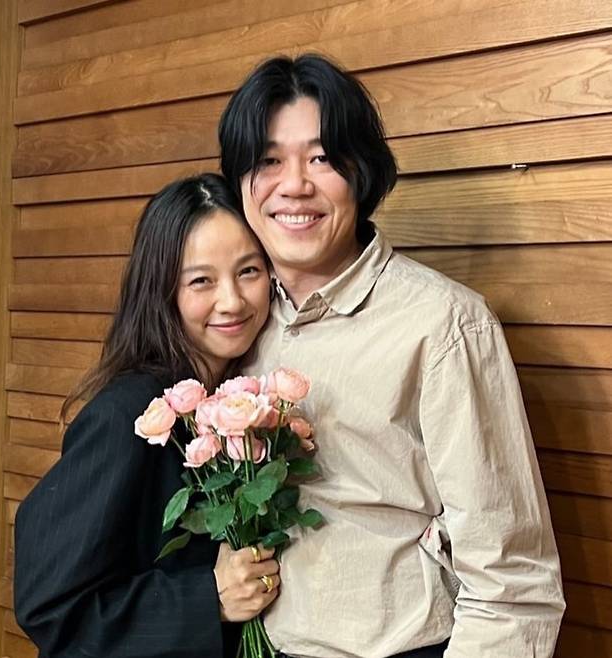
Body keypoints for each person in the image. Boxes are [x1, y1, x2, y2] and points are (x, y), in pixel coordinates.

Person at [218, 55, 565, 658]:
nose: (294, 184)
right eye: (268, 161)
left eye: (322, 158)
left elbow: (512, 583)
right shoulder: (235, 320)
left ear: (362, 172)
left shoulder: (444, 324)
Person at [14, 174, 280, 658]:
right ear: (162, 290)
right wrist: (209, 599)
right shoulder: (125, 416)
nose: (233, 301)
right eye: (201, 280)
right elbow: (50, 606)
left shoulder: (243, 401)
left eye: (249, 271)